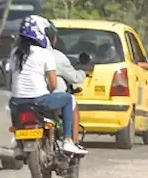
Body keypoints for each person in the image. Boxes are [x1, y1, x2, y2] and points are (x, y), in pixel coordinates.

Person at [6, 16, 89, 156]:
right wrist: (48, 91)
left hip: (16, 102)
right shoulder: (45, 54)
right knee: (68, 99)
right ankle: (68, 140)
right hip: (39, 101)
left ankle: (18, 144)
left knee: (16, 111)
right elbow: (53, 84)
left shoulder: (14, 53)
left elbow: (9, 81)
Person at [41, 18, 88, 143]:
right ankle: (71, 140)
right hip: (45, 99)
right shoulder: (54, 56)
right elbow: (73, 78)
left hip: (21, 99)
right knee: (70, 100)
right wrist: (83, 72)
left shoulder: (18, 55)